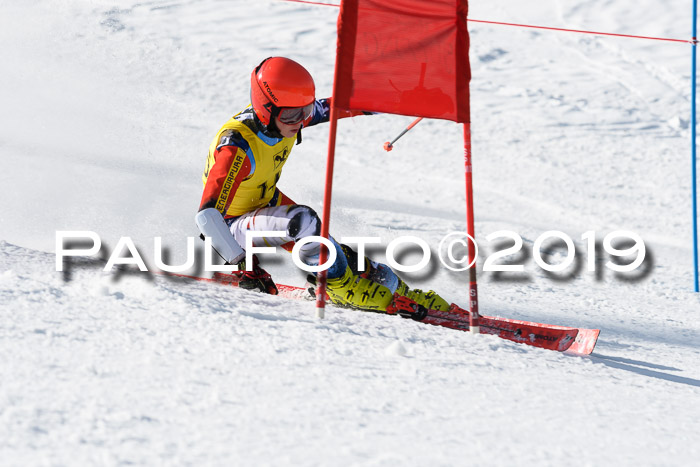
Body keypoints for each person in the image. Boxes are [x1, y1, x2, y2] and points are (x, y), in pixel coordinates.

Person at [195, 56, 450, 315]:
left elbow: (341, 105)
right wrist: (242, 263)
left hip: (263, 206)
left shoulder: (286, 117)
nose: (300, 121)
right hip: (229, 228)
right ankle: (339, 288)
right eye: (293, 115)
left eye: (305, 112)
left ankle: (397, 289)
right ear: (266, 108)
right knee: (304, 220)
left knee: (339, 254)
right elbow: (207, 216)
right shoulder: (237, 146)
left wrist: (406, 101)